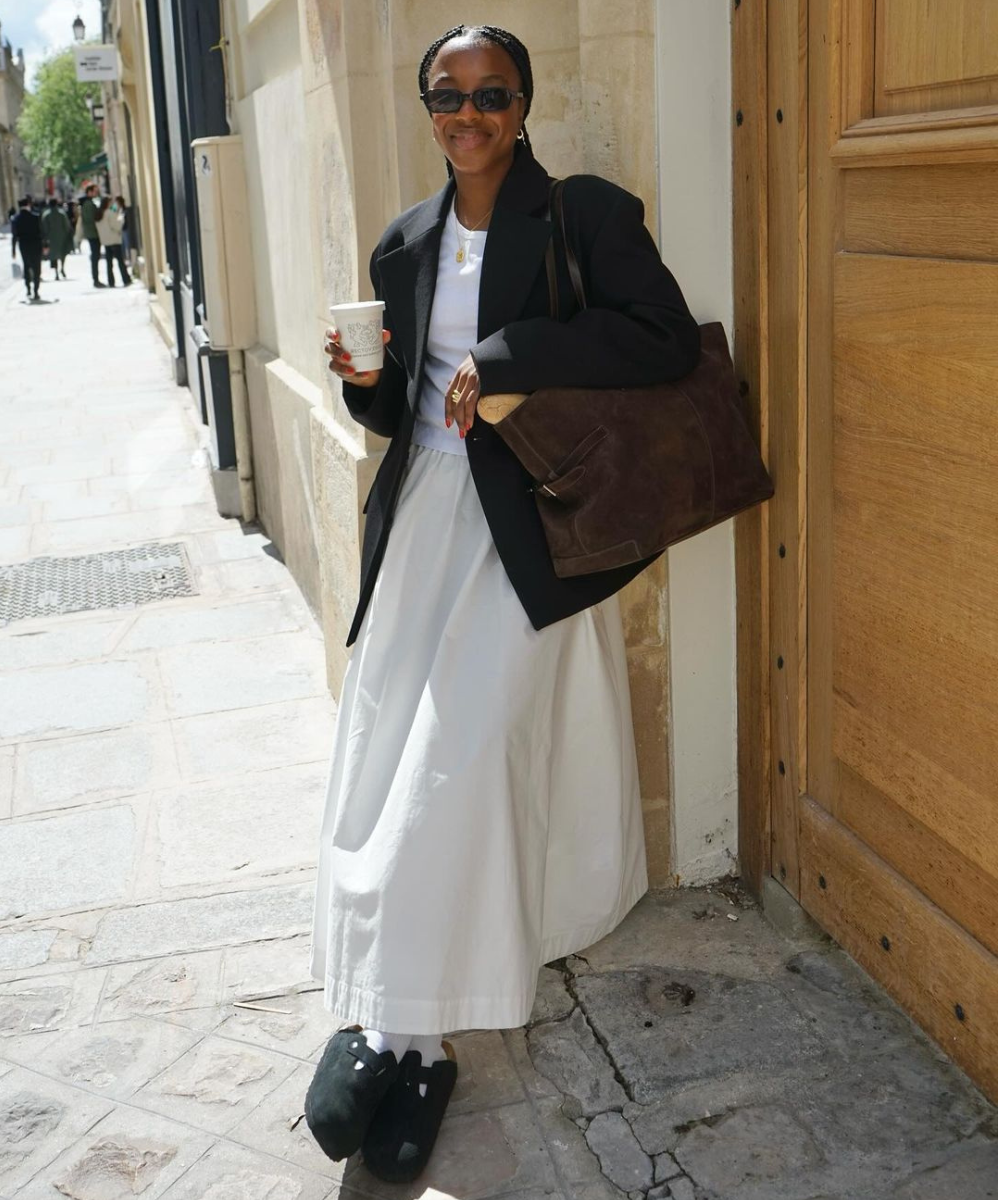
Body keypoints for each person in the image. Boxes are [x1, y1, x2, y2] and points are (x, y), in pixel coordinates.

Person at [308, 23, 699, 1184]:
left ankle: (399, 1035)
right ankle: (411, 1035)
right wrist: (369, 386)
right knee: (391, 765)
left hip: (528, 528)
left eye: (489, 93)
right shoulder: (406, 239)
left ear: (523, 105)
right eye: (446, 94)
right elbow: (395, 422)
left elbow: (662, 340)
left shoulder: (583, 213)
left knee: (459, 765)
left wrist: (513, 348)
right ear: (427, 107)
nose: (465, 113)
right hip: (425, 523)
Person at [11, 197, 43, 302]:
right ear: (28, 205)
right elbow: (41, 232)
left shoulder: (16, 219)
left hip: (24, 245)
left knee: (26, 266)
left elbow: (14, 235)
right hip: (36, 245)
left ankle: (28, 288)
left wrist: (13, 250)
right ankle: (36, 291)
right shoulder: (35, 217)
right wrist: (46, 245)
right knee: (36, 267)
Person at [97, 195, 131, 287]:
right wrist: (121, 219)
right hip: (114, 240)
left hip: (105, 241)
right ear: (108, 203)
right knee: (120, 261)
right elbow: (116, 226)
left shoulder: (99, 214)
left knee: (109, 263)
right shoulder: (109, 213)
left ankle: (111, 282)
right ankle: (126, 279)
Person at [41, 197, 74, 280]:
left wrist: (45, 238)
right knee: (63, 254)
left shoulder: (46, 215)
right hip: (62, 237)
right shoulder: (62, 213)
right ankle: (62, 268)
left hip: (51, 238)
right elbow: (67, 226)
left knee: (54, 256)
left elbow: (44, 228)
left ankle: (56, 273)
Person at [79, 183, 105, 287]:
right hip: (93, 233)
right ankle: (96, 279)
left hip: (92, 233)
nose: (96, 193)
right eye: (94, 191)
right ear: (89, 192)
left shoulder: (88, 203)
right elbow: (91, 219)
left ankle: (96, 279)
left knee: (95, 256)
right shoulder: (89, 204)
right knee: (95, 256)